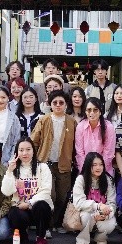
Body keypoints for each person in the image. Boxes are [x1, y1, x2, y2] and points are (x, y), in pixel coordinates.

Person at [29, 91, 77, 233]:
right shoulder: (44, 120)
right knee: (50, 195)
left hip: (64, 165)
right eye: (55, 102)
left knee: (62, 196)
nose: (58, 105)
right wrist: (33, 160)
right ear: (50, 104)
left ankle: (56, 223)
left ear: (66, 104)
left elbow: (76, 145)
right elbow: (33, 141)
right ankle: (47, 226)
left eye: (61, 102)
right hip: (46, 164)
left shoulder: (72, 122)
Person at [2, 138, 54, 244]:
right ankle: (22, 234)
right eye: (21, 150)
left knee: (42, 206)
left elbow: (46, 190)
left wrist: (29, 203)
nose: (24, 153)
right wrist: (9, 172)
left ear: (33, 151)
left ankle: (41, 236)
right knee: (15, 213)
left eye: (28, 149)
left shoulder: (42, 167)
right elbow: (6, 191)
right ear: (16, 152)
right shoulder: (14, 168)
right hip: (20, 207)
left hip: (36, 207)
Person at [70, 152, 116, 244]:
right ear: (88, 166)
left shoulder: (108, 179)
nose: (98, 167)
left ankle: (100, 238)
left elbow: (112, 203)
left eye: (101, 164)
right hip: (85, 212)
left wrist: (105, 214)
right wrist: (97, 206)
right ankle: (82, 238)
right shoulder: (81, 179)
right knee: (86, 217)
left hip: (103, 213)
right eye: (94, 165)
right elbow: (79, 203)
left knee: (112, 223)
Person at [75, 97, 116, 174]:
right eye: (89, 110)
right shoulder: (80, 126)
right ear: (85, 112)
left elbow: (108, 153)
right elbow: (80, 152)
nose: (92, 113)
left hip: (104, 171)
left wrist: (99, 169)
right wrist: (87, 170)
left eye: (95, 110)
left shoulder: (108, 127)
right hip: (85, 170)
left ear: (100, 112)